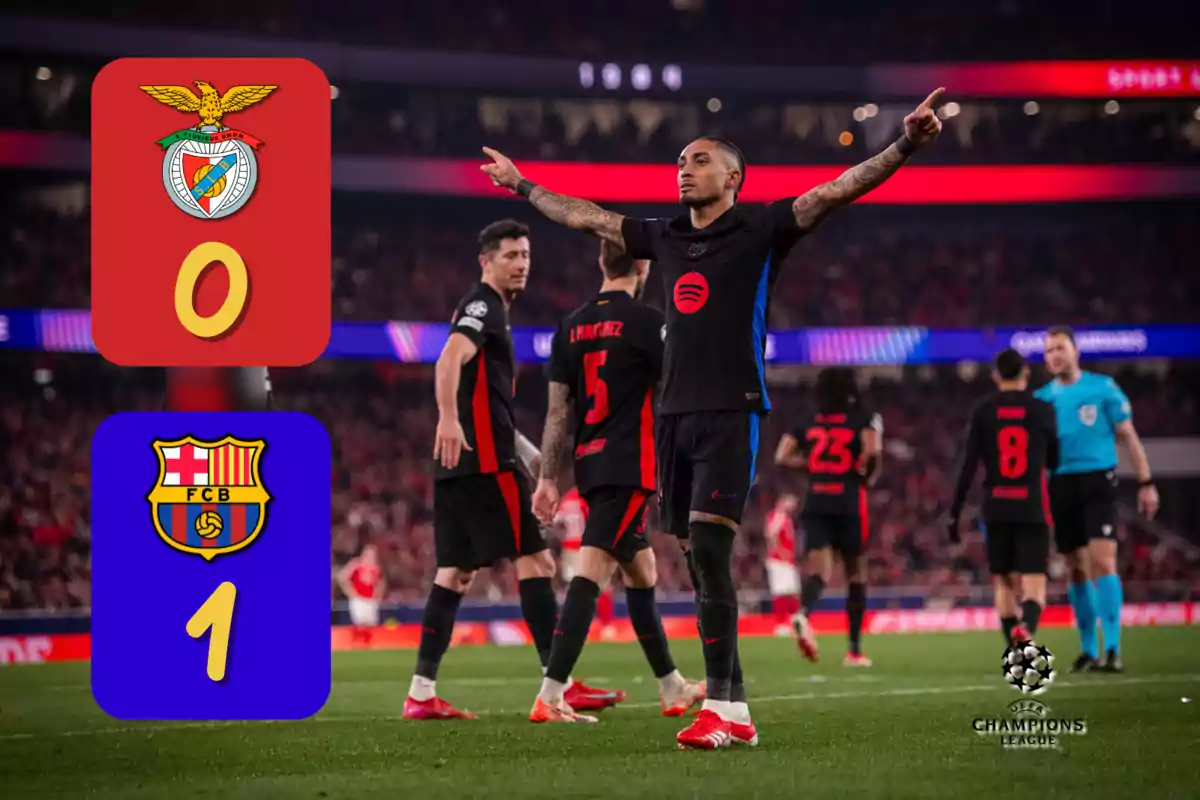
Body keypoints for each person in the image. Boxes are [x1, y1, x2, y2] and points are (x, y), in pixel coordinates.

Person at [481, 86, 944, 749]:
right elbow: (589, 218)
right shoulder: (665, 236)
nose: (684, 168)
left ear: (732, 177)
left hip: (731, 411)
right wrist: (524, 187)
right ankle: (730, 708)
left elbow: (837, 190)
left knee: (715, 552)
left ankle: (726, 708)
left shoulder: (760, 229)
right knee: (698, 561)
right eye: (680, 161)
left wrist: (903, 145)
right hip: (672, 418)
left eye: (698, 160)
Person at [530, 241, 705, 723]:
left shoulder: (569, 327)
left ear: (600, 263)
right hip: (631, 466)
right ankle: (549, 695)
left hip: (590, 465)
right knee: (591, 570)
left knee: (642, 571)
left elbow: (557, 413)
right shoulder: (649, 323)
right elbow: (675, 398)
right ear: (643, 265)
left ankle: (672, 687)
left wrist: (548, 477)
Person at [403, 220, 560, 721]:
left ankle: (421, 693)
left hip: (462, 463)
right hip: (486, 462)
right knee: (538, 563)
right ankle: (558, 688)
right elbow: (448, 359)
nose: (521, 264)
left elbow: (486, 404)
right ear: (486, 262)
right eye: (511, 255)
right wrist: (447, 419)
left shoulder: (491, 312)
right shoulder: (482, 306)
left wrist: (531, 453)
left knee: (455, 572)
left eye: (526, 255)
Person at [1035, 327, 1159, 673]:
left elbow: (1129, 437)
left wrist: (1146, 481)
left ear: (1075, 351)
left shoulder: (1102, 388)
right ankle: (1089, 649)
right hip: (1060, 483)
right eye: (1048, 351)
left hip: (1098, 480)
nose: (1054, 355)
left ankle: (1114, 648)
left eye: (1060, 348)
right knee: (1075, 566)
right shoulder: (1043, 399)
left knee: (1103, 561)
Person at [948, 349, 1058, 647]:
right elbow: (1054, 460)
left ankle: (1014, 645)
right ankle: (1027, 627)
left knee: (1004, 581)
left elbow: (969, 465)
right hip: (1031, 505)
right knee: (1034, 583)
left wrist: (954, 512)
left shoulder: (984, 410)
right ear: (1025, 374)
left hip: (996, 505)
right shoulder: (1042, 409)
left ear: (995, 375)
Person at [774, 368, 882, 667]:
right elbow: (872, 452)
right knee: (855, 575)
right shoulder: (862, 418)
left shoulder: (808, 420)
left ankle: (803, 613)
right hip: (848, 502)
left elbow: (781, 456)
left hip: (817, 499)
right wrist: (865, 475)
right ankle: (854, 650)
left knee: (820, 572)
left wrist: (810, 466)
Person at [555, 488, 617, 640]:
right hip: (586, 547)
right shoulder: (587, 496)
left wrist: (564, 539)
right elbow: (594, 521)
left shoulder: (567, 498)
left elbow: (557, 523)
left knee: (573, 590)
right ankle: (606, 626)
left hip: (569, 549)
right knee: (602, 586)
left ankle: (569, 628)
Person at [763, 494, 801, 637]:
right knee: (781, 591)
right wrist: (780, 552)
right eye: (790, 501)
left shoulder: (787, 518)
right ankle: (780, 625)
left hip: (788, 560)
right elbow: (771, 535)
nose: (793, 505)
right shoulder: (777, 516)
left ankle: (794, 623)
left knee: (793, 591)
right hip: (779, 560)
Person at [337, 543, 384, 649]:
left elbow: (380, 582)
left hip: (371, 599)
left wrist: (378, 594)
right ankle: (357, 643)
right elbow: (342, 577)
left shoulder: (376, 568)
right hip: (358, 598)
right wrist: (350, 591)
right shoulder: (356, 564)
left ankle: (367, 644)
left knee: (370, 623)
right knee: (360, 622)